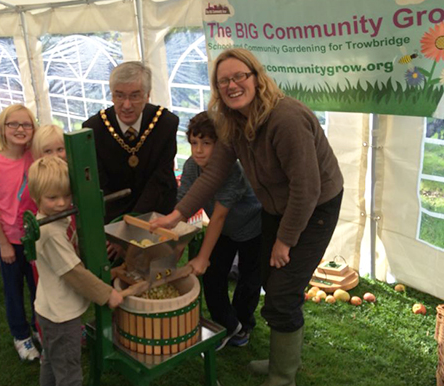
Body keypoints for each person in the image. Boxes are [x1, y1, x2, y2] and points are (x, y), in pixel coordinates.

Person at [152, 48, 344, 386]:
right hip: (275, 205)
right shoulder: (232, 122)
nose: (232, 85)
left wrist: (285, 240)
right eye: (223, 80)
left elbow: (307, 188)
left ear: (256, 77)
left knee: (282, 293)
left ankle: (282, 377)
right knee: (270, 281)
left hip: (315, 206)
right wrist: (176, 216)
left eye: (239, 76)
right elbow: (211, 176)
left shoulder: (286, 119)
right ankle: (278, 360)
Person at [28, 156, 123, 386]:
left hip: (48, 310)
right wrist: (107, 294)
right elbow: (74, 273)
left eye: (66, 196)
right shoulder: (50, 233)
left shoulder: (53, 220)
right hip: (61, 318)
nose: (61, 203)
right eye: (52, 198)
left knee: (51, 361)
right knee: (69, 373)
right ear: (36, 197)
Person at [179, 111, 262, 350]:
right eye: (194, 143)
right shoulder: (191, 167)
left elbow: (218, 216)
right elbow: (183, 205)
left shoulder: (232, 171)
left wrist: (203, 256)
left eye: (206, 143)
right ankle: (227, 324)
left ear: (222, 145)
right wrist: (174, 247)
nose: (199, 150)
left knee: (249, 280)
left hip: (252, 228)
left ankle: (244, 324)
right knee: (213, 277)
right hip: (225, 230)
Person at [82, 61, 178, 223]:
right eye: (119, 95)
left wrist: (135, 222)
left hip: (157, 216)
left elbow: (161, 178)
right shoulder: (94, 129)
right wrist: (119, 228)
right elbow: (100, 186)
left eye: (135, 96)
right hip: (113, 219)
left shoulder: (165, 123)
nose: (126, 105)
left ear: (147, 95)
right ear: (112, 95)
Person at [0, 104, 40, 361]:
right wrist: (2, 242)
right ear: (2, 128)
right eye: (13, 124)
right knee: (14, 291)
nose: (20, 129)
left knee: (40, 287)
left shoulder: (36, 156)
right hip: (11, 242)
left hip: (36, 239)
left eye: (26, 124)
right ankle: (21, 335)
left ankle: (41, 328)